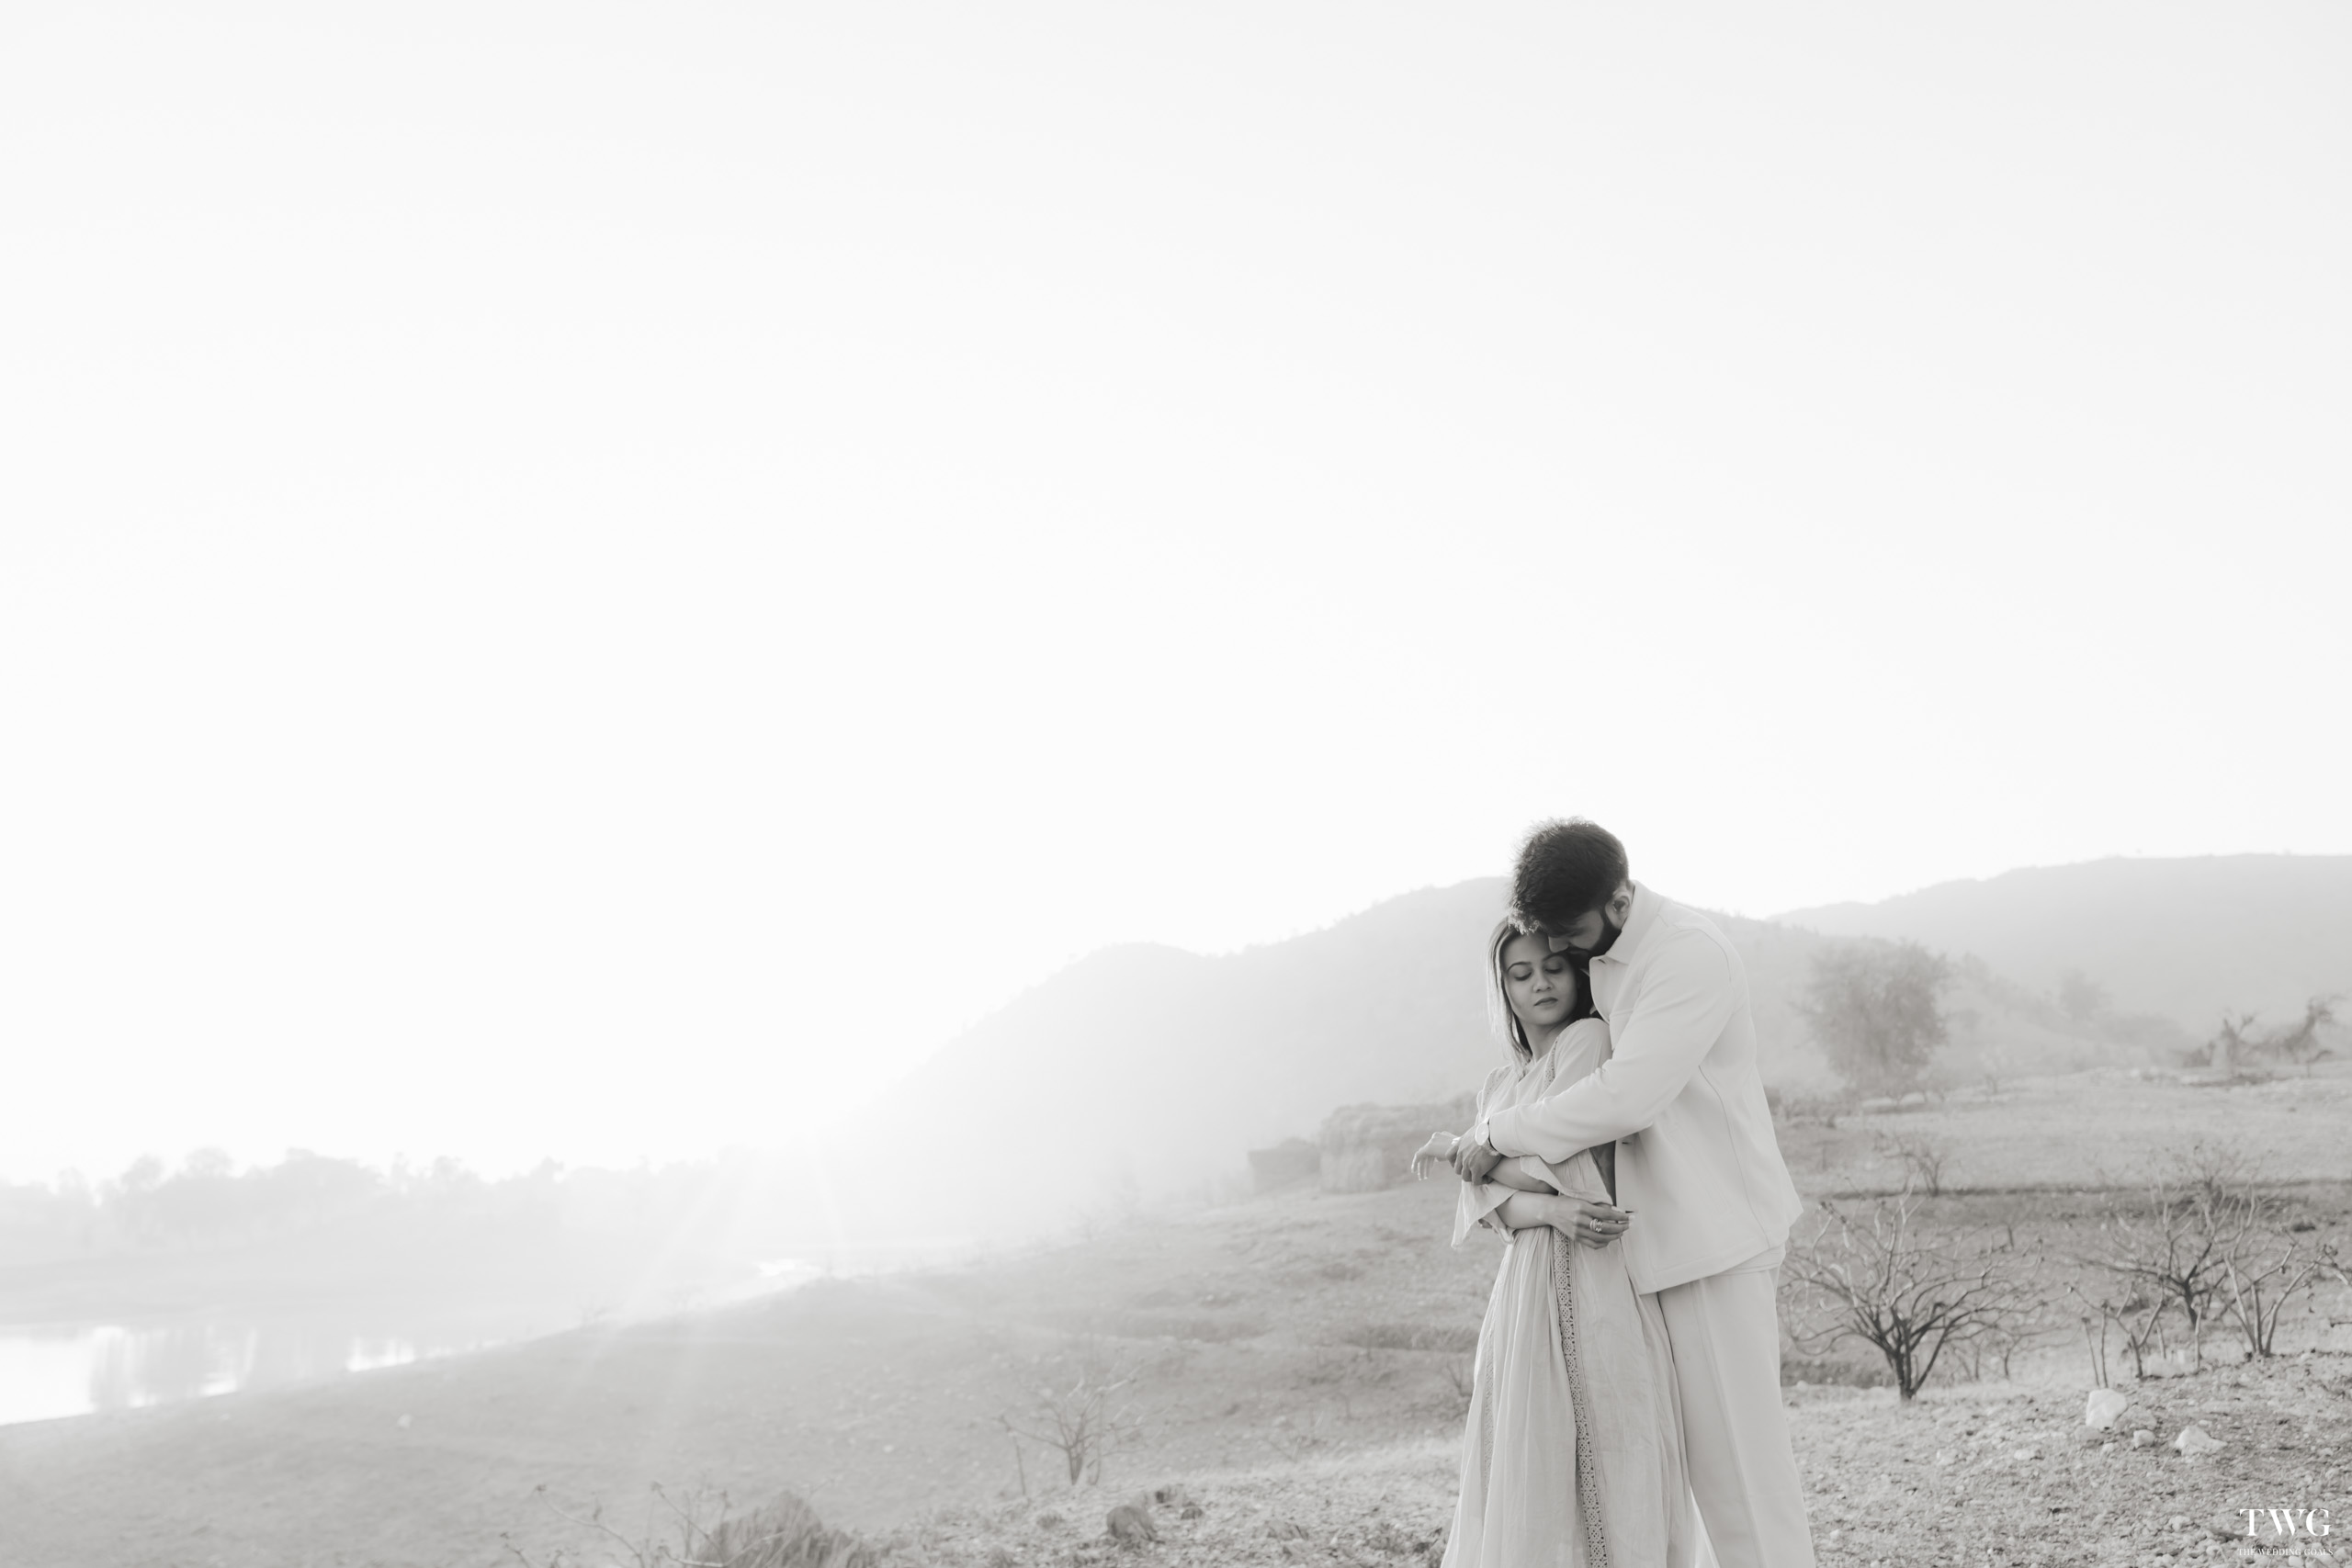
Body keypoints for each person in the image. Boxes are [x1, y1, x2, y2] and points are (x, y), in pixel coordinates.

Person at [1449, 819, 1814, 1568]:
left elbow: (1627, 1095)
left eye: (1570, 934)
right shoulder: (1607, 956)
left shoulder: (1686, 954)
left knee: (1743, 1481)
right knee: (1681, 1480)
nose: (1563, 950)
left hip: (1710, 1239)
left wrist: (1495, 1134)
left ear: (1619, 899)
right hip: (1641, 1252)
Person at [1413, 920, 1709, 1568]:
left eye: (1552, 968)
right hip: (1524, 1287)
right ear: (1503, 990)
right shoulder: (1497, 1085)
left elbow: (1566, 1161)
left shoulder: (1588, 1040)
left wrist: (1474, 1152)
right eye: (1520, 975)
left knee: (1613, 1438)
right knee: (1529, 1453)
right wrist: (1546, 1206)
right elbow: (1484, 1207)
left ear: (1577, 972)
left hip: (1596, 1271)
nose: (1540, 984)